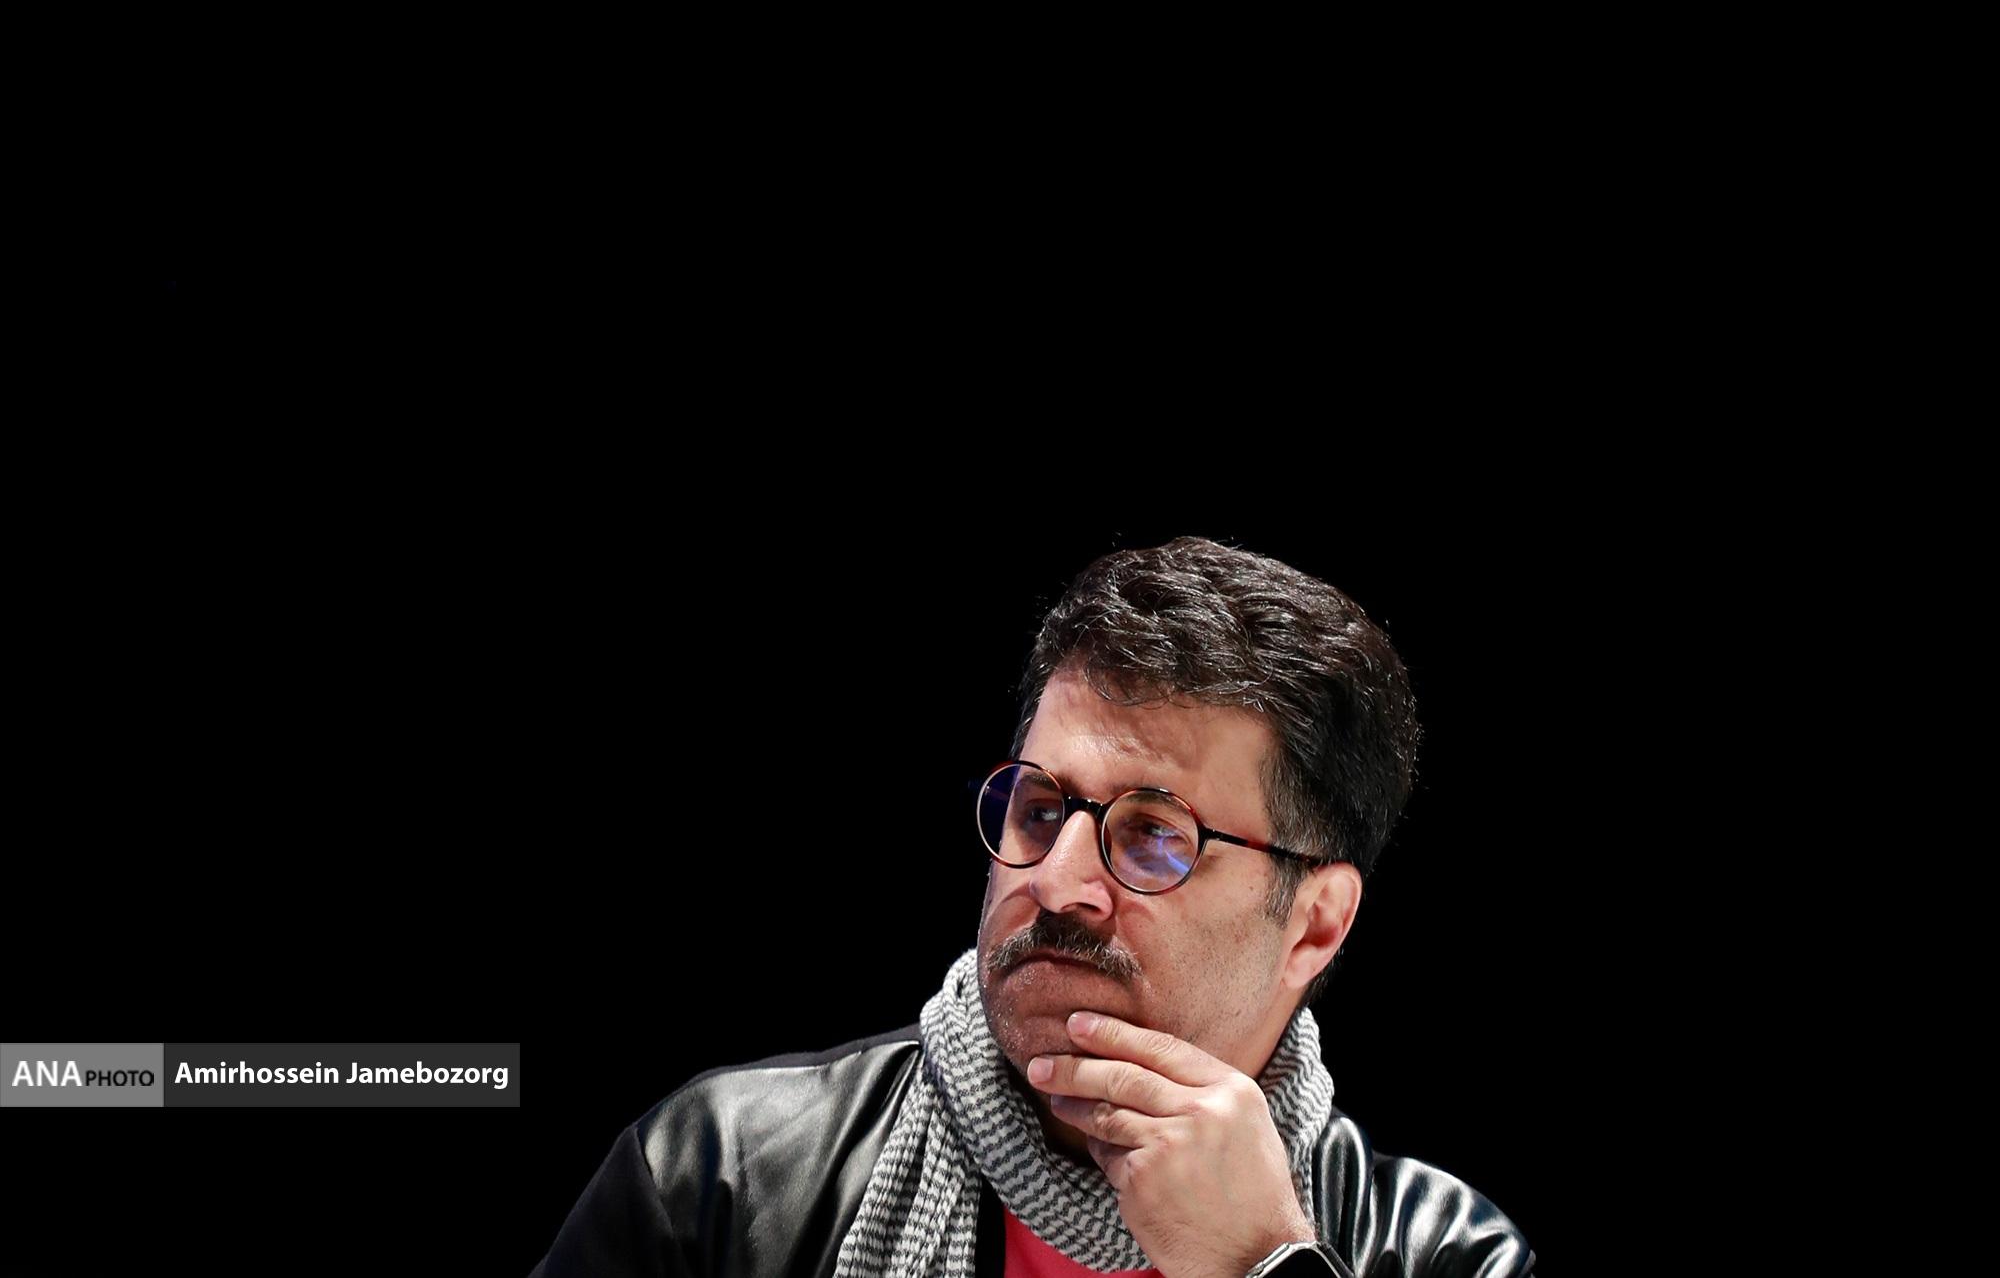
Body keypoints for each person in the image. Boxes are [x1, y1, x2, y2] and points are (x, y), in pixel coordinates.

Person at [532, 536, 1535, 1277]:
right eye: (1041, 809)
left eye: (1153, 835)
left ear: (1314, 924)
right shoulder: (723, 1178)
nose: (1054, 883)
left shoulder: (1448, 1255)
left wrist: (1262, 1264)